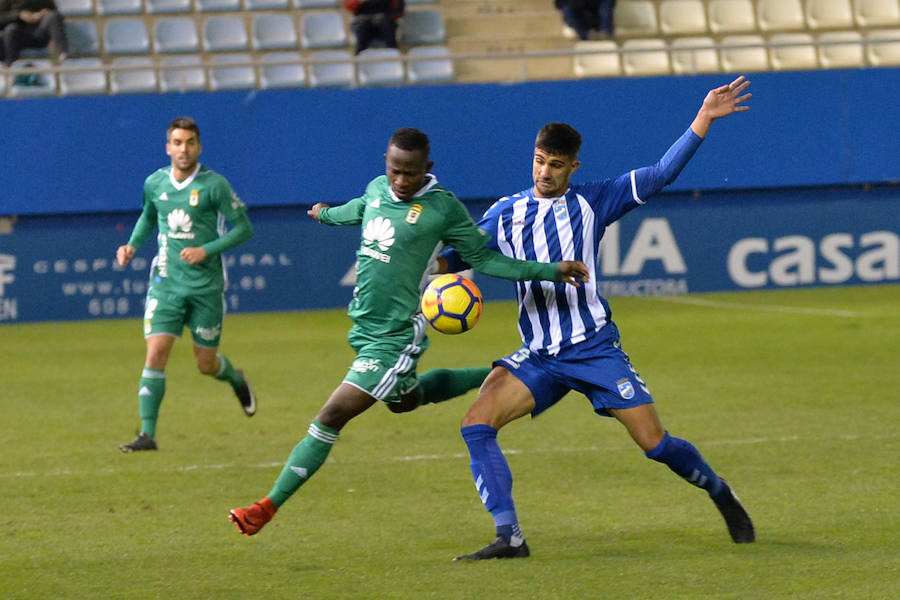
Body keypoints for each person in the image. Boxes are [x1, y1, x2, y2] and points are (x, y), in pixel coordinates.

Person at [438, 76, 756, 560]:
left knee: (655, 444)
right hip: (541, 356)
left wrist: (704, 118)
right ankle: (510, 537)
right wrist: (410, 257)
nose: (545, 172)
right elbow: (456, 258)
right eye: (540, 161)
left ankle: (718, 490)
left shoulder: (594, 201)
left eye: (556, 165)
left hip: (593, 349)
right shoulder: (506, 213)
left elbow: (660, 173)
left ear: (573, 167)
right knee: (476, 424)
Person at [228, 127, 590, 537]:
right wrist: (324, 214)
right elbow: (358, 208)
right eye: (395, 170)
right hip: (364, 328)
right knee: (405, 400)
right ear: (386, 162)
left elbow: (486, 259)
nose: (401, 181)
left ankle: (266, 507)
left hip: (395, 335)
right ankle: (502, 371)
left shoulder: (442, 209)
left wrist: (549, 271)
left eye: (410, 174)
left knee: (331, 416)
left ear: (427, 169)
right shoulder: (378, 189)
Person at [116, 117, 257, 453]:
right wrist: (132, 245)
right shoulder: (155, 183)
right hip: (166, 283)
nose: (183, 149)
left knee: (206, 365)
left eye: (189, 142)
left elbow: (244, 229)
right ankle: (147, 435)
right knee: (156, 352)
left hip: (206, 287)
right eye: (177, 143)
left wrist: (206, 250)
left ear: (199, 146)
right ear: (168, 147)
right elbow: (149, 215)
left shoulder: (214, 186)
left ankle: (236, 379)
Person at [0, 0, 68, 65]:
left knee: (53, 16)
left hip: (41, 34)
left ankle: (62, 55)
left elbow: (56, 14)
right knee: (11, 29)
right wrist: (19, 15)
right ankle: (9, 65)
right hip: (18, 36)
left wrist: (45, 14)